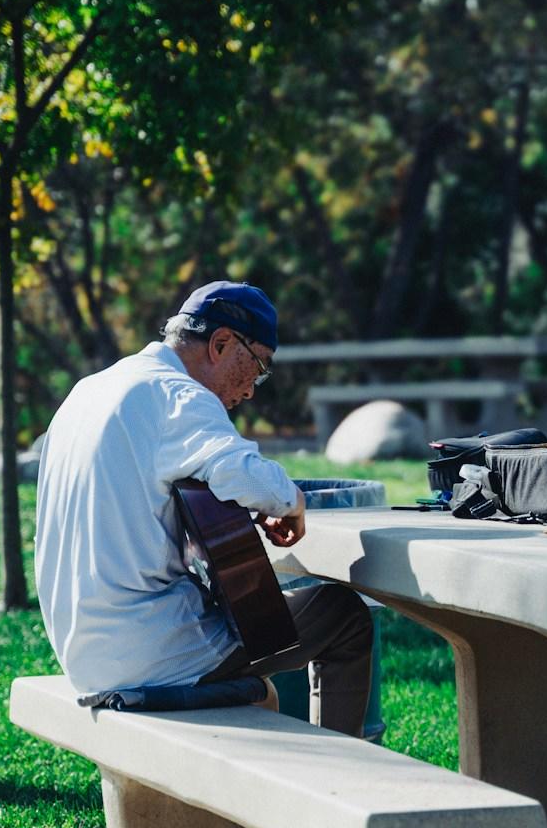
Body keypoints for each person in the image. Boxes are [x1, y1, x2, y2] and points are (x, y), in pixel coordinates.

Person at [33, 280, 373, 735]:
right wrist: (292, 501)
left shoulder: (89, 391)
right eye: (259, 366)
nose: (252, 390)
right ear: (220, 344)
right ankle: (345, 778)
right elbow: (242, 474)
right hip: (145, 651)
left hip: (81, 648)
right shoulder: (177, 395)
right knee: (344, 615)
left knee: (265, 673)